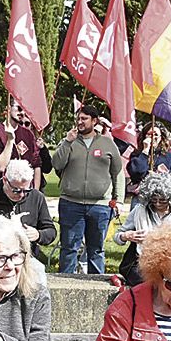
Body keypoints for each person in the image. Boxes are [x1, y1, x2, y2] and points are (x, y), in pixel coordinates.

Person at [51, 104, 124, 274]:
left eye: (84, 119)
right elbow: (57, 164)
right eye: (78, 119)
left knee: (96, 249)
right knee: (69, 248)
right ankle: (66, 284)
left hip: (100, 206)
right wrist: (67, 142)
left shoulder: (107, 143)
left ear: (94, 121)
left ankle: (97, 284)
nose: (79, 122)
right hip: (71, 203)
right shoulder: (69, 141)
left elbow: (118, 173)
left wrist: (118, 199)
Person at [113, 170, 171, 286]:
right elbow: (117, 237)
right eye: (154, 200)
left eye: (162, 200)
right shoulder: (140, 210)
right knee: (148, 284)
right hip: (143, 263)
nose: (158, 204)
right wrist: (126, 236)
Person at [0, 158, 56, 263]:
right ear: (5, 181)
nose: (22, 195)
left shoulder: (36, 197)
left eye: (26, 190)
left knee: (38, 271)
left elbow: (51, 231)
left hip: (27, 257)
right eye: (16, 190)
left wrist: (38, 235)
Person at [0, 99, 43, 189]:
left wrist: (35, 192)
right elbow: (0, 167)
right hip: (3, 192)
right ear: (8, 108)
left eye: (25, 109)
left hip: (25, 192)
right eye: (19, 108)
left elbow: (36, 164)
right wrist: (10, 140)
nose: (22, 113)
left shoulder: (28, 134)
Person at [125, 123, 171, 204]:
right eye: (149, 134)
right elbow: (136, 172)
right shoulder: (137, 155)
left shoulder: (169, 156)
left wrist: (159, 178)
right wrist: (145, 151)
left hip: (162, 200)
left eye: (156, 135)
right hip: (141, 198)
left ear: (161, 138)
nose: (153, 138)